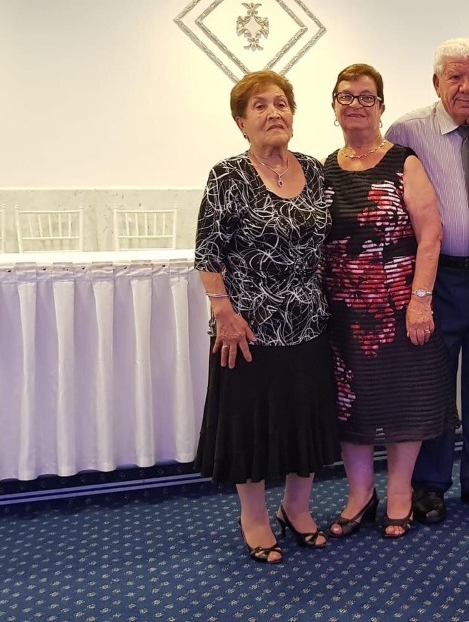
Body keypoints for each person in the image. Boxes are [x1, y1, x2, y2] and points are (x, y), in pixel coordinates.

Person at [194, 70, 338, 564]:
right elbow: (208, 253)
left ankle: (296, 508)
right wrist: (223, 312)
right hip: (247, 327)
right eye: (260, 106)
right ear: (241, 122)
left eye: (281, 103)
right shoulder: (227, 176)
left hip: (309, 322)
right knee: (250, 425)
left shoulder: (314, 170)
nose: (274, 113)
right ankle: (253, 517)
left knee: (304, 420)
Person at [385, 38, 469, 525]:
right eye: (455, 77)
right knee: (434, 383)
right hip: (436, 277)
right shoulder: (406, 131)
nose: (466, 87)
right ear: (436, 82)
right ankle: (430, 484)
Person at [320, 63, 457, 539]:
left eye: (366, 96)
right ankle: (360, 494)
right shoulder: (322, 170)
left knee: (406, 402)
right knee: (350, 406)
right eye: (346, 96)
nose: (355, 104)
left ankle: (399, 492)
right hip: (343, 315)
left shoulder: (404, 162)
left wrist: (420, 301)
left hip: (399, 309)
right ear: (334, 106)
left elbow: (430, 234)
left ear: (381, 107)